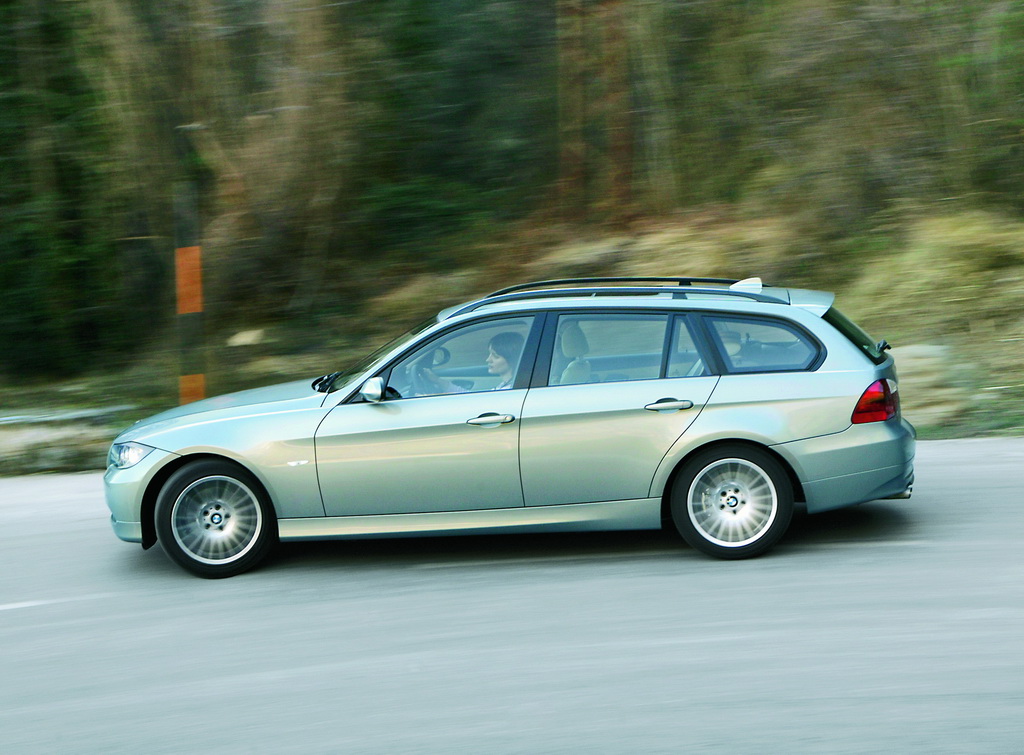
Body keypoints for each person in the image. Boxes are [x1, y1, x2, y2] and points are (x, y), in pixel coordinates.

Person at [414, 330, 524, 395]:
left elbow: (475, 403)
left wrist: (429, 400)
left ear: (511, 359)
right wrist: (438, 381)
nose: (488, 359)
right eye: (490, 354)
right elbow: (470, 397)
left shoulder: (508, 391)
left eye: (495, 356)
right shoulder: (506, 385)